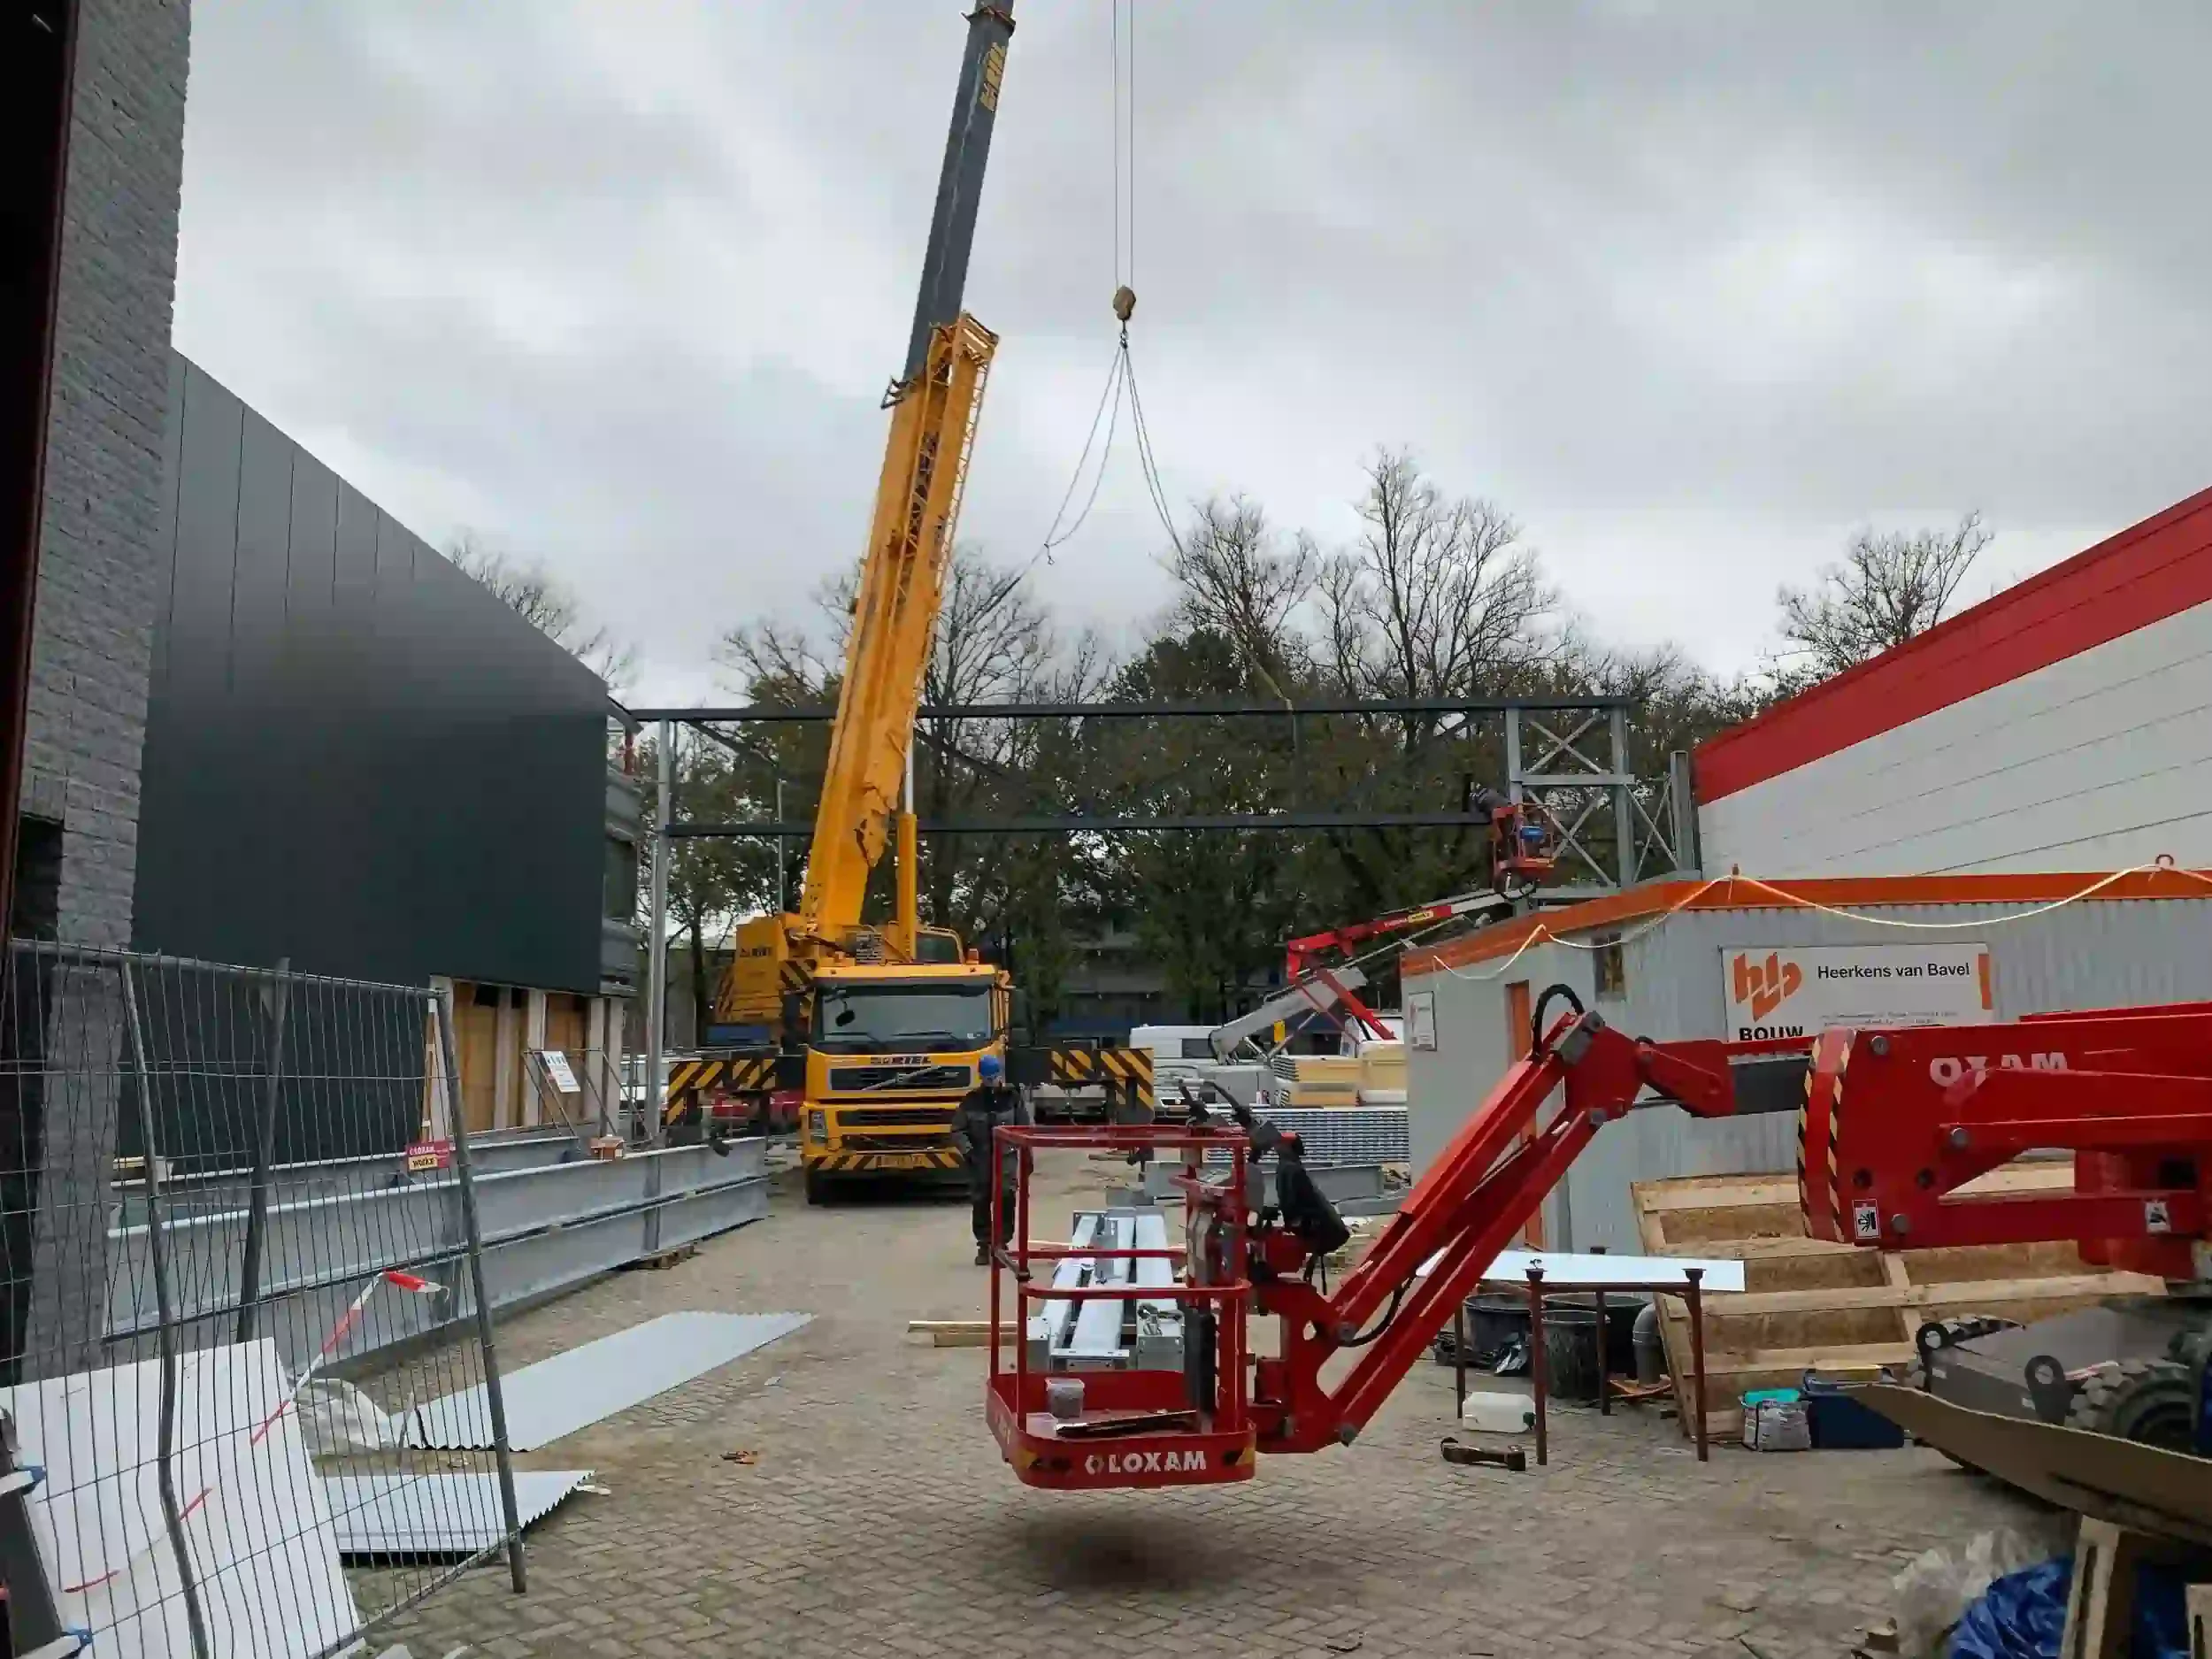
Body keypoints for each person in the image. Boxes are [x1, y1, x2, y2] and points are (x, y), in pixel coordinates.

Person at [952, 1053, 1029, 1266]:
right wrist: (969, 1151)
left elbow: (1024, 1128)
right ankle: (984, 1245)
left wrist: (1024, 1156)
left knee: (1006, 1198)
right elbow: (957, 1130)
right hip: (981, 1160)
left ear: (1000, 1075)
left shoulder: (1012, 1097)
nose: (991, 1081)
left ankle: (1002, 1243)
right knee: (981, 1201)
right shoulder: (971, 1101)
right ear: (981, 1077)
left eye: (993, 1077)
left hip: (1005, 1160)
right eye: (987, 1078)